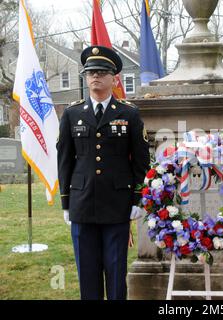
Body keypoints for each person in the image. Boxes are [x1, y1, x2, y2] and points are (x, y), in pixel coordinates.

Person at [57, 45, 150, 300]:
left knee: (116, 270)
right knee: (87, 274)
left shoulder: (129, 114)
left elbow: (142, 162)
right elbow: (64, 160)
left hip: (117, 205)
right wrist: (66, 202)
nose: (95, 76)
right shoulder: (72, 114)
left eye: (102, 71)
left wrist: (137, 198)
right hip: (82, 204)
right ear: (85, 77)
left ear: (114, 78)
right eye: (90, 72)